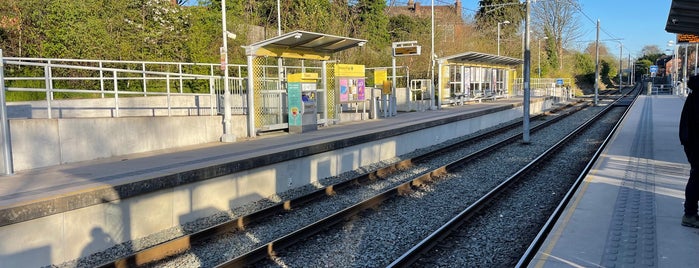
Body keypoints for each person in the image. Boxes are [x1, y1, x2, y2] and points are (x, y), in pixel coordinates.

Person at [680, 75, 699, 227]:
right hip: (696, 144)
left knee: (696, 177)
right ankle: (690, 214)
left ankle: (690, 213)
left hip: (692, 143)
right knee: (696, 179)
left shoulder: (695, 93)